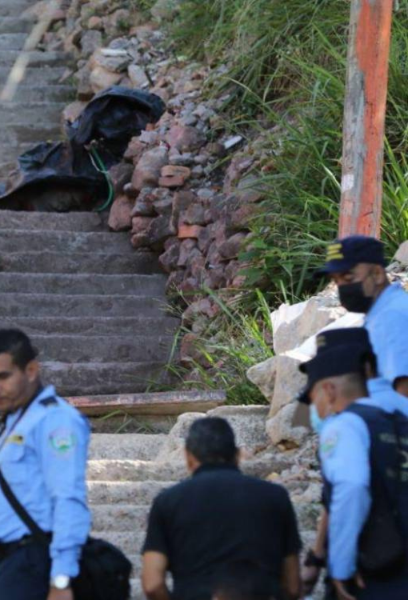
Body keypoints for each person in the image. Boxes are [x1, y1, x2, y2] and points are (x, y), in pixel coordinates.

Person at [0, 329, 90, 600]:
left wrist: (61, 579)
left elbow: (69, 498)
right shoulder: (15, 420)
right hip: (12, 564)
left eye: (2, 377)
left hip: (35, 563)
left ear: (30, 370)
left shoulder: (55, 421)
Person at [141, 417, 302, 600]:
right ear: (237, 455)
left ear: (188, 457)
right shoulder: (275, 496)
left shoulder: (167, 502)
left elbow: (152, 584)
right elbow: (293, 586)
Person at [299, 328, 408, 594]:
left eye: (313, 397)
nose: (314, 407)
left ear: (329, 390)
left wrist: (341, 568)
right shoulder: (400, 421)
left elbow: (351, 488)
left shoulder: (345, 426)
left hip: (376, 573)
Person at [317, 235, 408, 397]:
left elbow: (404, 390)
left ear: (378, 274)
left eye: (348, 277)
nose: (342, 287)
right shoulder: (382, 313)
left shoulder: (391, 317)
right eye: (336, 281)